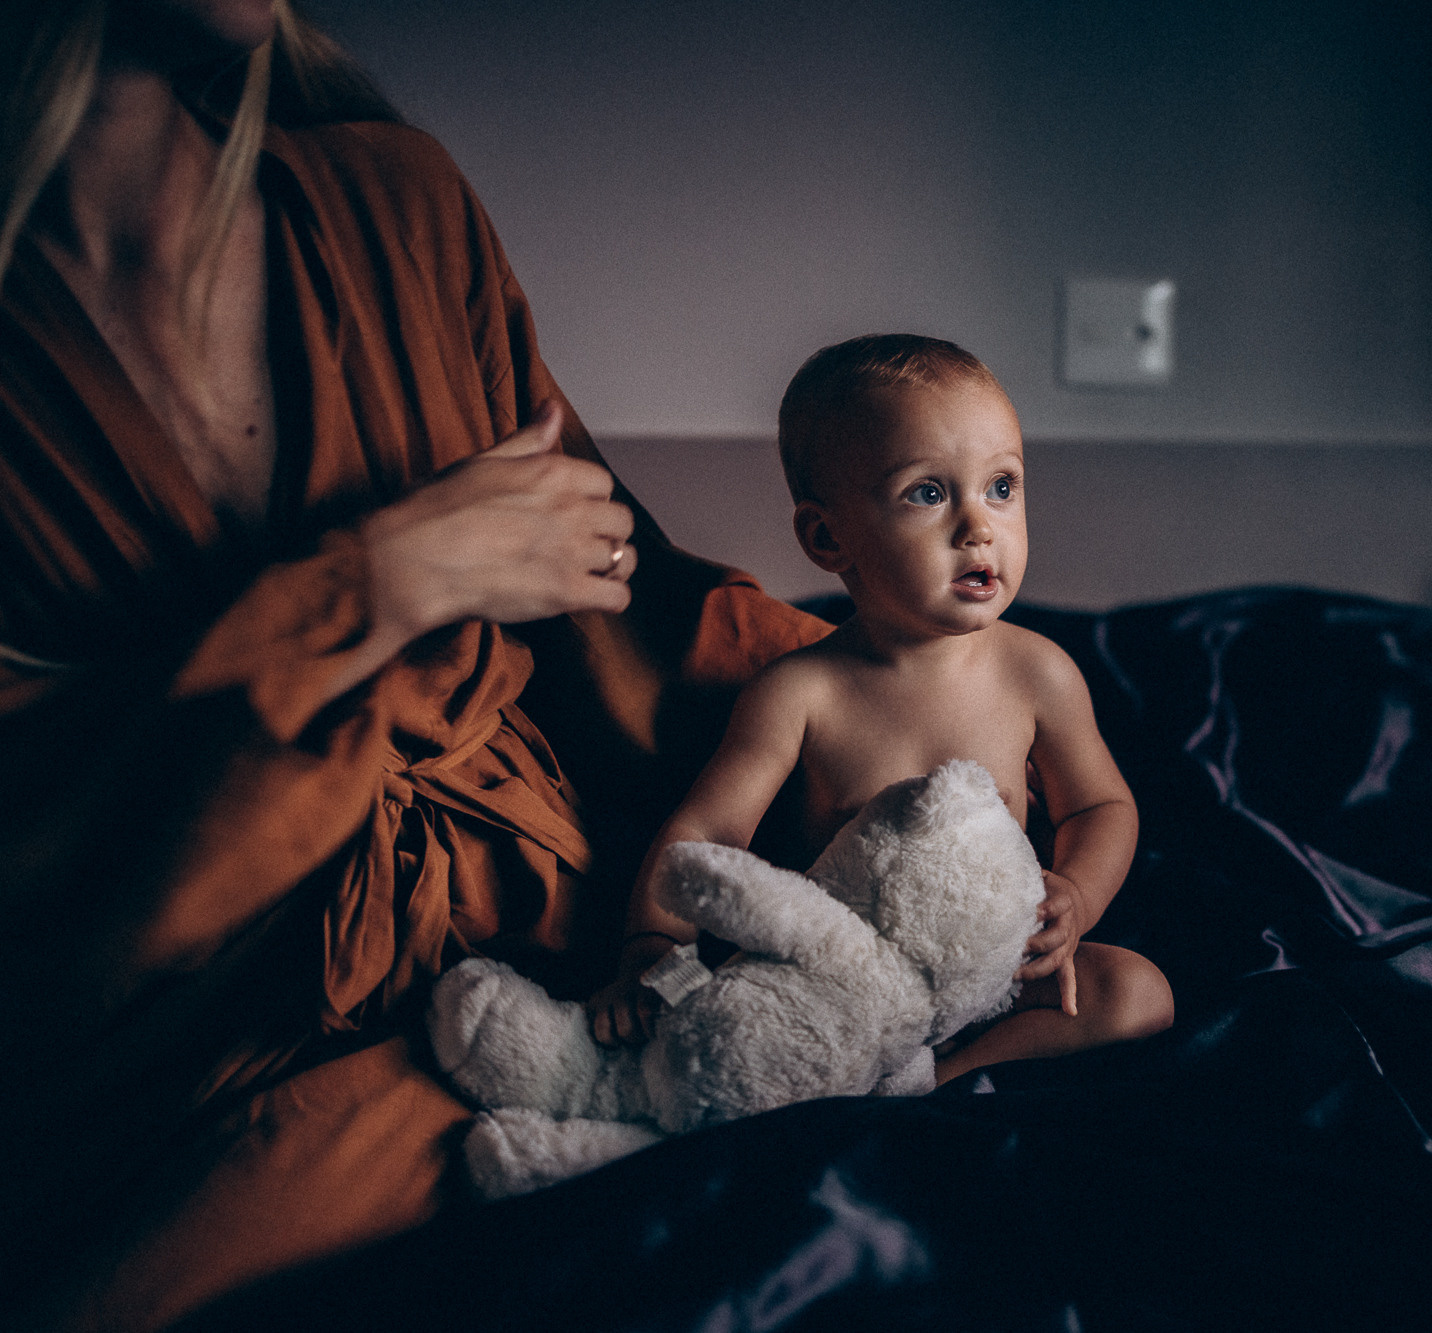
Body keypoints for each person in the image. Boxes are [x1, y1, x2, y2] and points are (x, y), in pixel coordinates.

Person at [0, 3, 825, 1327]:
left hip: (549, 940)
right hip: (181, 1037)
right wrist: (376, 582)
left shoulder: (399, 206)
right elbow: (45, 855)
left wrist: (889, 707)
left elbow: (625, 609)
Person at [588, 336, 1174, 1084]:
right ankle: (866, 1068)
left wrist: (1078, 895)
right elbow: (705, 835)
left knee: (1138, 993)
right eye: (928, 493)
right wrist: (651, 953)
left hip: (991, 976)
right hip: (841, 983)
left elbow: (1099, 803)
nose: (978, 525)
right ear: (829, 537)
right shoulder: (801, 691)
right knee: (744, 1040)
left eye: (1002, 486)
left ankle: (940, 1076)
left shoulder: (1038, 671)